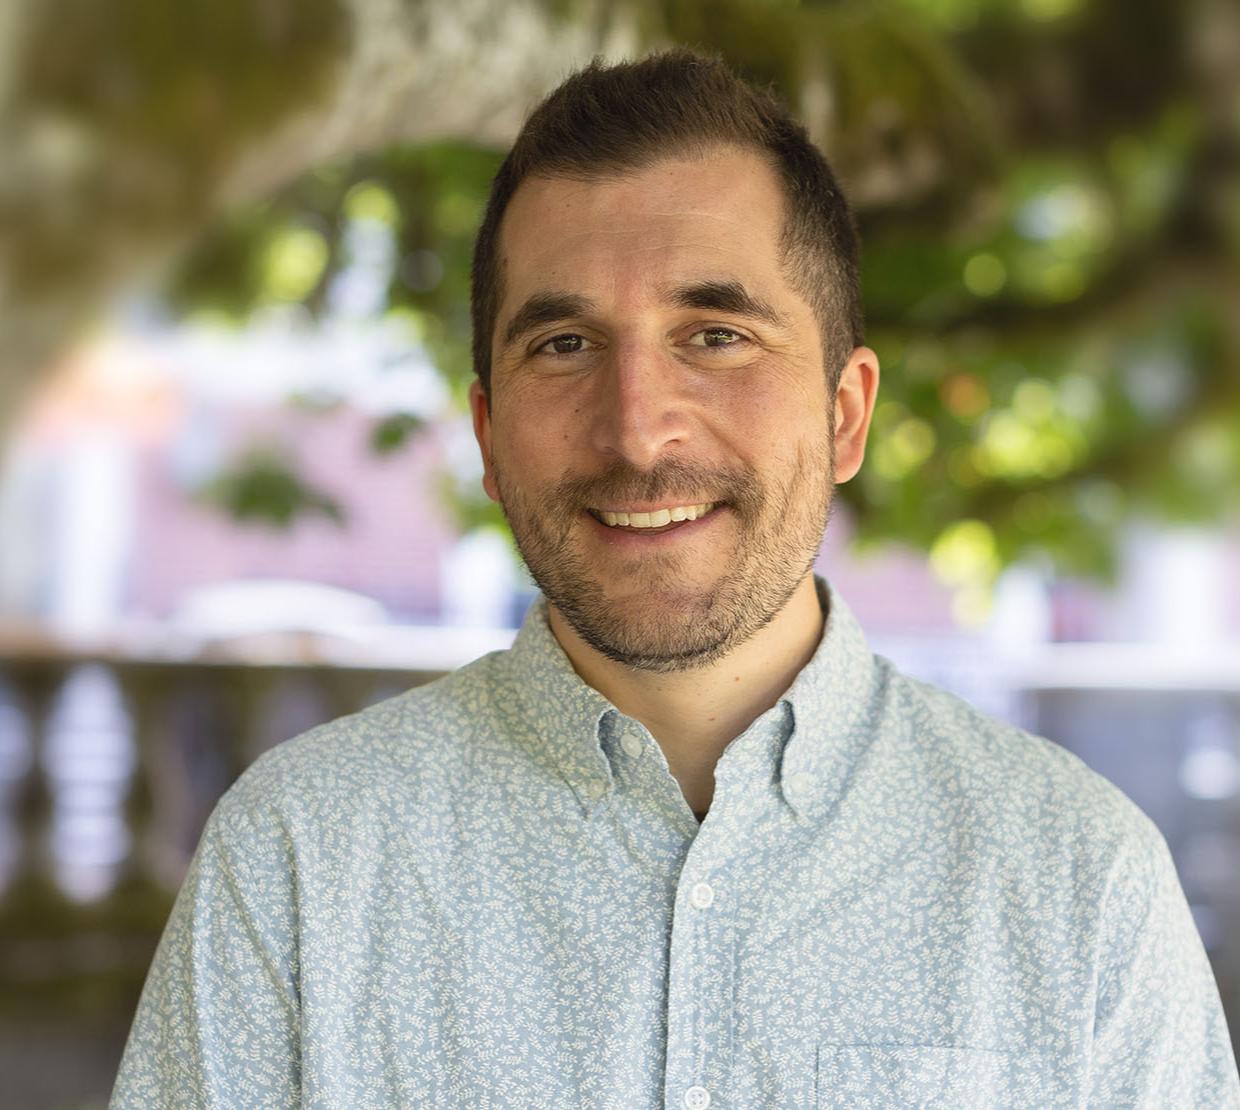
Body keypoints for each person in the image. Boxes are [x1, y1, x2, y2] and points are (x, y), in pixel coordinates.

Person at [111, 50, 1240, 1109]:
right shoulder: (299, 859)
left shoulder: (1079, 880)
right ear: (491, 439)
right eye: (564, 345)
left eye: (715, 335)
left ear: (844, 415)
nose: (638, 433)